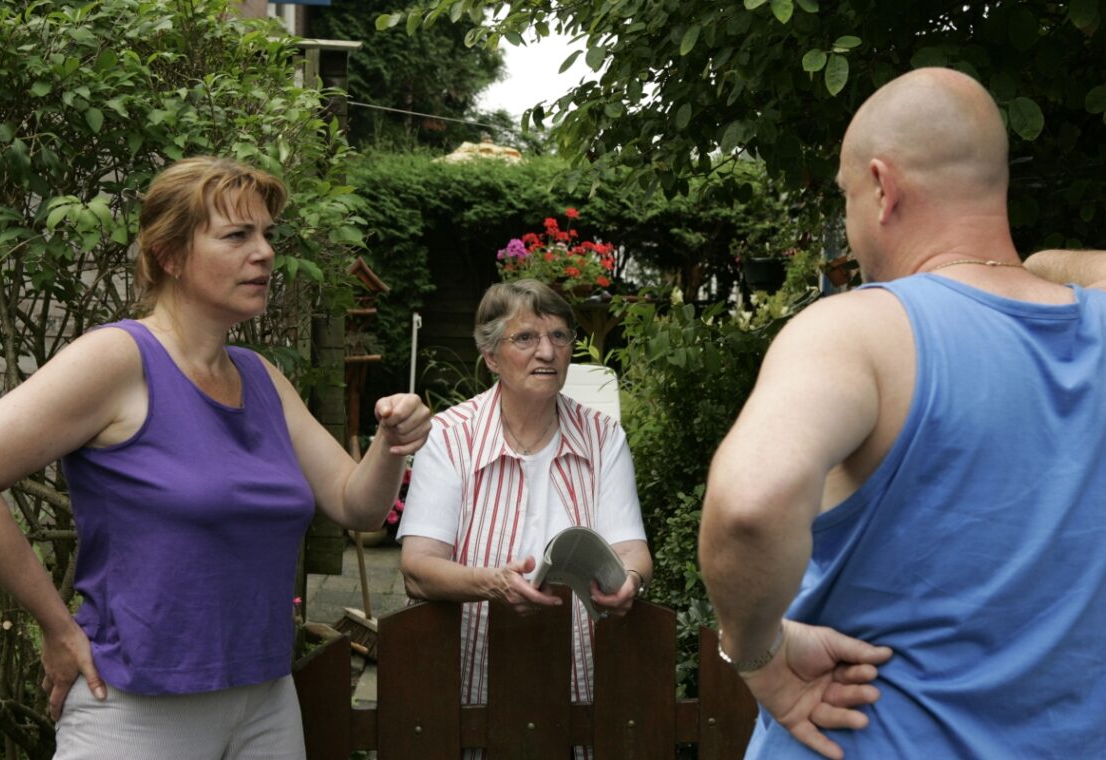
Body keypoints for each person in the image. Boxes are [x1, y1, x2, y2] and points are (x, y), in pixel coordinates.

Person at [699, 67, 1106, 760]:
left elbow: (749, 506)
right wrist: (1043, 263)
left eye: (846, 197)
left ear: (883, 188)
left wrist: (756, 653)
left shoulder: (859, 331)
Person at [0, 156, 431, 759]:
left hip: (266, 703)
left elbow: (355, 505)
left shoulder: (260, 376)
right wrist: (56, 627)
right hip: (136, 712)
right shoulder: (118, 359)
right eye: (237, 235)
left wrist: (391, 445)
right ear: (170, 255)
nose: (264, 253)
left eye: (267, 234)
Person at [398, 279, 651, 757]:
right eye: (526, 337)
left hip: (579, 685)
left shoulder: (603, 437)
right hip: (470, 682)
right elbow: (417, 567)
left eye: (559, 336)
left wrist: (631, 581)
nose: (547, 352)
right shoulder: (449, 438)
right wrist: (494, 583)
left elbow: (631, 549)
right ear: (491, 356)